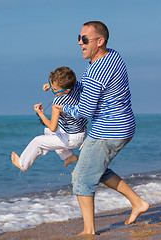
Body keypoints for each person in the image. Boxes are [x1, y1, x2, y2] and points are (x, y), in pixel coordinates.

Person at [57, 21, 150, 235]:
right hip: (125, 126)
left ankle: (89, 231)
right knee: (95, 168)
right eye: (79, 38)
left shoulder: (95, 71)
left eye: (85, 39)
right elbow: (93, 89)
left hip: (107, 131)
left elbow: (86, 110)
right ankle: (137, 202)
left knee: (81, 178)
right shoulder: (114, 57)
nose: (80, 42)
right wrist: (67, 88)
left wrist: (64, 109)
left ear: (100, 41)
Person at [11, 67, 88, 172]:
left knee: (38, 141)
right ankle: (69, 156)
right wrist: (51, 84)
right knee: (47, 132)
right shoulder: (75, 86)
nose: (52, 90)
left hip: (72, 138)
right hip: (80, 131)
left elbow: (52, 127)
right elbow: (51, 130)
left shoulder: (58, 103)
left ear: (66, 90)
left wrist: (41, 114)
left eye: (54, 89)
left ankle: (23, 165)